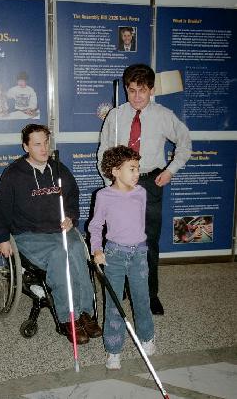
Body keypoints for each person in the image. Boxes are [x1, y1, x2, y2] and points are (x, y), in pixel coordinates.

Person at [0, 123, 102, 344]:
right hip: (29, 234)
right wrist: (2, 238)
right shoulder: (13, 174)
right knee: (60, 255)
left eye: (46, 142)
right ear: (26, 147)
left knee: (77, 250)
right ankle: (67, 318)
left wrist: (70, 216)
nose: (44, 149)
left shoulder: (59, 169)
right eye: (37, 144)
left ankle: (84, 313)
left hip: (59, 229)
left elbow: (72, 197)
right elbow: (1, 208)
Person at [97, 64, 192, 315]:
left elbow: (185, 142)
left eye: (142, 90)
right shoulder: (115, 116)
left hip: (149, 183)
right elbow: (103, 152)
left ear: (151, 89)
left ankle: (150, 295)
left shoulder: (163, 115)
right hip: (118, 185)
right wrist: (111, 185)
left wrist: (170, 170)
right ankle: (123, 289)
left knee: (147, 242)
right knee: (117, 240)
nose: (136, 96)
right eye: (131, 90)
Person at [89, 145, 155, 370]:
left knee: (142, 299)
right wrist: (97, 249)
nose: (137, 174)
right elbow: (96, 226)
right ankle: (114, 349)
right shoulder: (103, 196)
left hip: (138, 253)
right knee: (114, 303)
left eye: (138, 168)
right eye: (132, 169)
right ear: (115, 171)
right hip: (114, 255)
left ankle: (147, 337)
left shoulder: (141, 193)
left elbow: (138, 222)